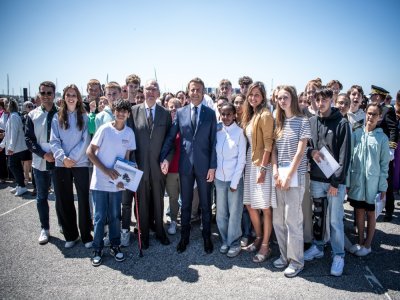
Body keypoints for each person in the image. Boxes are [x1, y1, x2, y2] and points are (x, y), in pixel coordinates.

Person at [160, 77, 217, 254]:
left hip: (204, 166)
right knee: (185, 204)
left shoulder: (210, 113)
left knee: (206, 205)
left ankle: (207, 237)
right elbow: (171, 137)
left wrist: (212, 166)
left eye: (198, 89)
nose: (195, 92)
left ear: (203, 92)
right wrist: (163, 157)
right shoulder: (181, 112)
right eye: (192, 89)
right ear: (188, 92)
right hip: (185, 167)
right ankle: (184, 237)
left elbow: (213, 142)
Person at [304, 87, 351, 277]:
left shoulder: (342, 123)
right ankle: (318, 247)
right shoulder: (312, 121)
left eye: (324, 99)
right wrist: (310, 152)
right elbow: (306, 145)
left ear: (331, 100)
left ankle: (339, 255)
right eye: (317, 100)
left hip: (334, 183)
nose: (320, 103)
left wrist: (335, 182)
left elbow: (344, 156)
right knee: (319, 216)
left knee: (334, 220)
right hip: (316, 178)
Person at [86, 99, 136, 267]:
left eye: (124, 111)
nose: (121, 114)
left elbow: (127, 159)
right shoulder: (104, 129)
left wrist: (123, 179)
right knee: (100, 217)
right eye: (118, 110)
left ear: (128, 114)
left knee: (115, 216)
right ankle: (97, 249)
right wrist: (106, 170)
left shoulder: (129, 133)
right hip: (100, 182)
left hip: (116, 184)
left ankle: (115, 246)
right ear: (114, 111)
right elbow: (90, 152)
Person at [125, 79, 172, 248]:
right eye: (148, 89)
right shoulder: (133, 111)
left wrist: (167, 159)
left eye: (154, 89)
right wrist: (131, 163)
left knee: (159, 201)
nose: (151, 92)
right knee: (142, 203)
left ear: (158, 93)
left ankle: (160, 231)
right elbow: (128, 141)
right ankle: (143, 235)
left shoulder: (165, 113)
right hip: (139, 165)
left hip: (158, 166)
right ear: (142, 92)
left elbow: (170, 141)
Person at [271, 85, 311, 278]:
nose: (282, 101)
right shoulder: (277, 122)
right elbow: (274, 151)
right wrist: (276, 171)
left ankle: (296, 261)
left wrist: (288, 176)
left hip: (295, 176)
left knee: (292, 220)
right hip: (279, 176)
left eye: (285, 97)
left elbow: (300, 151)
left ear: (293, 98)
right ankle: (284, 256)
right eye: (279, 98)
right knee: (278, 220)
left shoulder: (303, 121)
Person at [50, 84, 93, 249]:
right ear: (64, 97)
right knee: (64, 199)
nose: (71, 97)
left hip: (80, 163)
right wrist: (63, 158)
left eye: (74, 95)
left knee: (83, 200)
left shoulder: (85, 116)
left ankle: (86, 235)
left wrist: (73, 158)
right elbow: (54, 141)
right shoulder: (57, 117)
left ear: (78, 97)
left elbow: (85, 140)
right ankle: (71, 235)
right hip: (62, 165)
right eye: (68, 94)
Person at [347, 103, 390, 256]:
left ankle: (368, 244)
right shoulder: (357, 134)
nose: (371, 117)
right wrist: (348, 182)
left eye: (374, 114)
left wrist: (383, 186)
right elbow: (350, 159)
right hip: (357, 182)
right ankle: (359, 241)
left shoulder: (382, 138)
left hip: (373, 184)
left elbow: (385, 165)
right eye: (369, 113)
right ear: (365, 114)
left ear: (380, 117)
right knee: (358, 211)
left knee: (371, 213)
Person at [241, 81, 275, 263]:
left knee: (265, 207)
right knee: (250, 204)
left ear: (263, 97)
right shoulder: (252, 114)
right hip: (250, 163)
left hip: (262, 165)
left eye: (257, 95)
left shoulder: (265, 115)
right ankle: (259, 237)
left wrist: (263, 168)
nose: (253, 97)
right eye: (251, 95)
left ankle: (265, 246)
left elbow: (269, 144)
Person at [25, 81, 59, 245]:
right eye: (43, 93)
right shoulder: (32, 115)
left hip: (59, 162)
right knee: (42, 197)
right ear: (39, 94)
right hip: (40, 163)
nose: (46, 96)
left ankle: (63, 225)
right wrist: (43, 154)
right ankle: (44, 228)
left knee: (61, 197)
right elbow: (29, 140)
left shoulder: (61, 113)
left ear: (54, 94)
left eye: (49, 93)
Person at [215, 102, 246, 257]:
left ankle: (234, 242)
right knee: (221, 213)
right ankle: (225, 241)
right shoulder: (217, 131)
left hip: (235, 180)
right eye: (223, 114)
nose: (226, 117)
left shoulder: (240, 133)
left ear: (234, 115)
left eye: (229, 114)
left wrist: (235, 182)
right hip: (219, 179)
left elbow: (242, 160)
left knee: (234, 212)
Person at [369, 85, 398, 222]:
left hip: (385, 150)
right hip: (375, 151)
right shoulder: (373, 109)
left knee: (387, 181)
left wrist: (391, 148)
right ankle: (376, 207)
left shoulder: (387, 110)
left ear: (378, 96)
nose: (371, 97)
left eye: (373, 95)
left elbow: (393, 129)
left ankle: (389, 211)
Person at [0, 98, 29, 196]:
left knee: (12, 166)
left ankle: (21, 186)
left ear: (9, 106)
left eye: (5, 105)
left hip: (16, 148)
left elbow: (14, 133)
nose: (4, 107)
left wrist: (11, 147)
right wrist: (2, 145)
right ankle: (20, 185)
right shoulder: (12, 116)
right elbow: (8, 134)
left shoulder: (14, 117)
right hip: (15, 147)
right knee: (15, 166)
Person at [165, 98, 182, 235]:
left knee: (187, 197)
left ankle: (185, 220)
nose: (174, 109)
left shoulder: (185, 124)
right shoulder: (165, 125)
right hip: (170, 170)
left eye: (177, 106)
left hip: (184, 169)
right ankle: (173, 221)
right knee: (173, 198)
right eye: (171, 106)